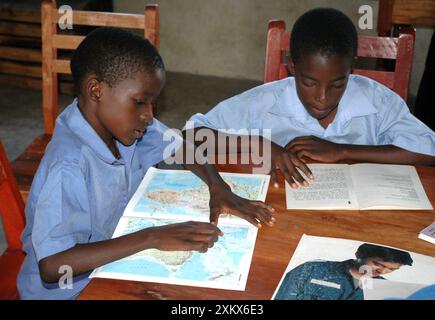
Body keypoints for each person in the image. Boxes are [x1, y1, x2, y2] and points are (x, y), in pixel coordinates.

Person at [17, 28, 275, 299]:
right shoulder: (68, 165)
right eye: (140, 102)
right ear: (96, 90)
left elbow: (181, 147)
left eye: (152, 103)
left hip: (112, 262)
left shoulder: (126, 127)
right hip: (73, 291)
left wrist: (217, 185)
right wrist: (150, 238)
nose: (149, 116)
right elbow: (52, 266)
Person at [186, 8, 435, 189]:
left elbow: (428, 153)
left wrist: (343, 152)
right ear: (292, 67)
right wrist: (260, 146)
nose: (322, 98)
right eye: (309, 82)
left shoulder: (376, 100)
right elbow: (191, 137)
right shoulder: (265, 101)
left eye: (338, 83)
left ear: (351, 69)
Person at [274, 243, 413, 300]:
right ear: (359, 254)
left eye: (392, 269)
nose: (382, 271)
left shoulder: (385, 290)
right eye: (377, 264)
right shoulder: (311, 269)